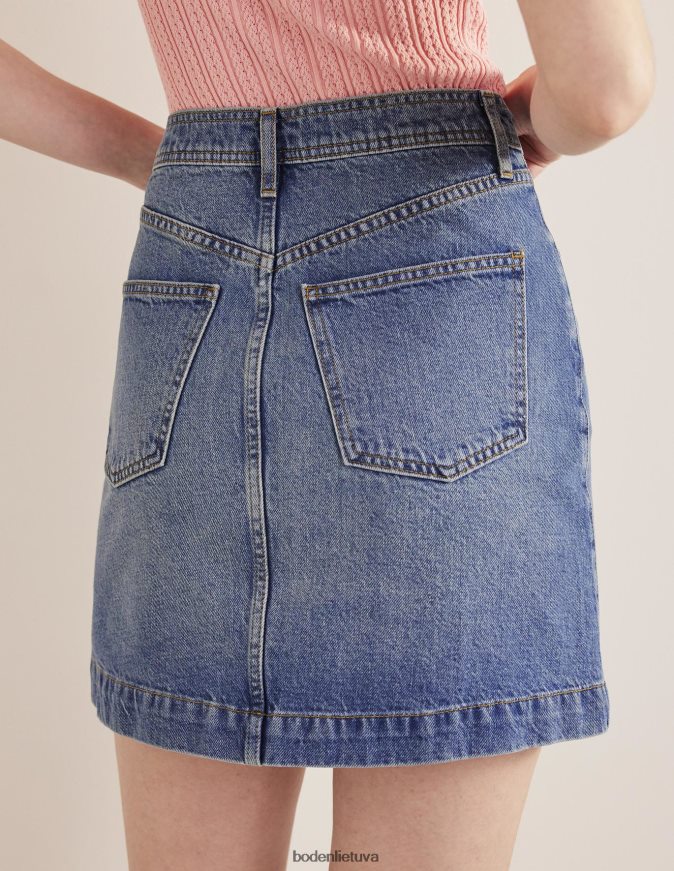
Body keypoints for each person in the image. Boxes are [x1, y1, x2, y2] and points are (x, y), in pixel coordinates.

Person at [1, 2, 654, 870]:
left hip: (195, 249)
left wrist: (157, 159)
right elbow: (605, 91)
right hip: (430, 246)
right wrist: (534, 117)